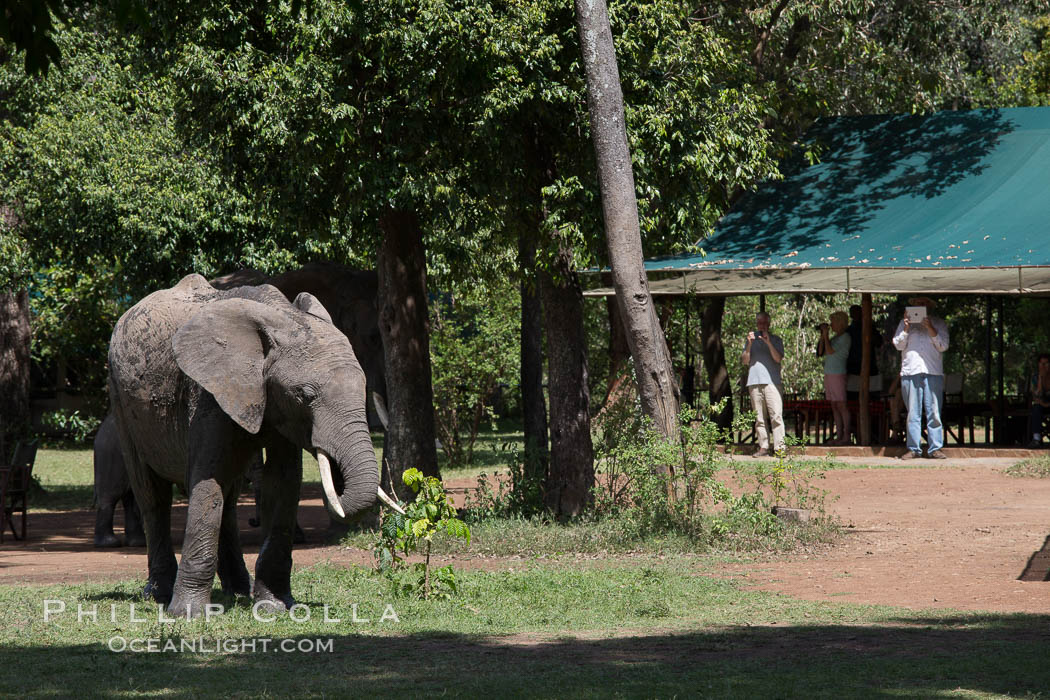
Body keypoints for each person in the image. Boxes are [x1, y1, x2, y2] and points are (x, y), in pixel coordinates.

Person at [892, 296, 949, 459]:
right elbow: (898, 345)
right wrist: (906, 328)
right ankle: (913, 449)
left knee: (934, 412)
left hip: (933, 372)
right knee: (913, 413)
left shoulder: (939, 323)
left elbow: (943, 346)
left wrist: (930, 327)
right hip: (911, 372)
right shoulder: (904, 323)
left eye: (924, 304)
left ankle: (935, 448)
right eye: (917, 304)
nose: (920, 306)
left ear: (929, 306)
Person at [742, 311, 785, 457]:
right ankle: (763, 447)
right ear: (756, 324)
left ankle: (780, 448)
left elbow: (778, 359)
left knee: (776, 416)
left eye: (765, 323)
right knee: (759, 418)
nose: (762, 326)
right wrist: (749, 345)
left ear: (769, 324)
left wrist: (768, 342)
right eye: (760, 323)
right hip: (754, 382)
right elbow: (745, 361)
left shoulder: (776, 340)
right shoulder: (750, 340)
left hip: (772, 382)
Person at [817, 311, 852, 445]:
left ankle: (846, 436)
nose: (831, 325)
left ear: (840, 323)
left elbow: (831, 351)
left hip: (838, 374)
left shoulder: (846, 337)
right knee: (834, 405)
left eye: (833, 322)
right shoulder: (835, 338)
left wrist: (826, 337)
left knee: (841, 405)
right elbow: (821, 351)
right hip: (829, 373)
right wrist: (823, 336)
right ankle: (839, 436)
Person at [1027, 353, 1050, 449]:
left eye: (1046, 363)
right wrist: (1040, 379)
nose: (1043, 366)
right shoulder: (1035, 377)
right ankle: (1036, 439)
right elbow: (1036, 395)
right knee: (1036, 409)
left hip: (1048, 403)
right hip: (1042, 404)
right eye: (1041, 363)